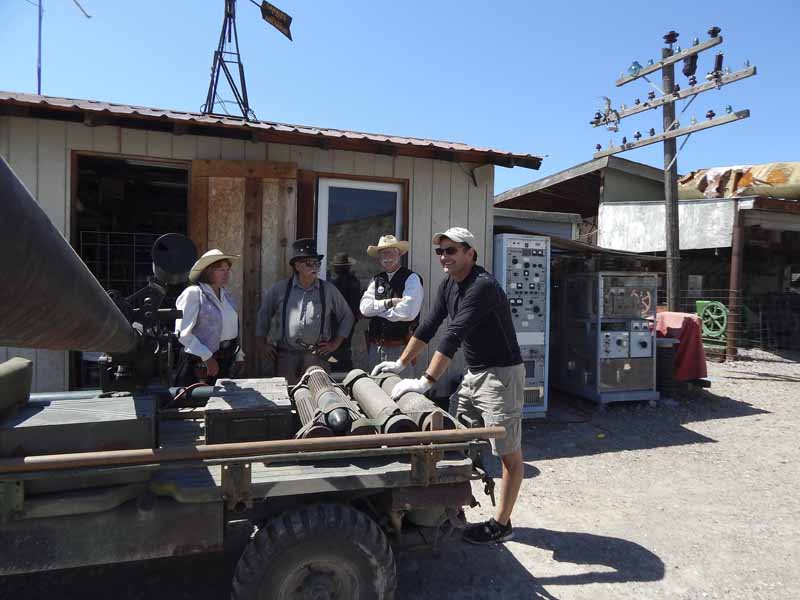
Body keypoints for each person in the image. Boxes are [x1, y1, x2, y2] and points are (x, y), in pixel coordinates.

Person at [371, 227, 524, 545]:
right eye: (440, 251)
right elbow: (429, 326)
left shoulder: (482, 286)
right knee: (458, 438)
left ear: (470, 253)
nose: (444, 256)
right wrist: (400, 364)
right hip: (474, 372)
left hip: (501, 375)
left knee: (507, 452)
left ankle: (501, 523)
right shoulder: (449, 284)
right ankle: (453, 505)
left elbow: (453, 335)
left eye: (451, 250)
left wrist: (425, 381)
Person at [255, 238, 354, 385]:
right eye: (309, 263)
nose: (315, 267)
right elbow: (263, 315)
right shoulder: (280, 289)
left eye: (317, 263)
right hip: (286, 359)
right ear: (297, 266)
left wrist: (335, 344)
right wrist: (262, 344)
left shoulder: (328, 290)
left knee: (319, 394)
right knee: (287, 394)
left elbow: (347, 316)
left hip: (317, 359)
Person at [174, 249, 244, 386]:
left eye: (227, 270)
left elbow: (232, 328)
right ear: (208, 271)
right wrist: (207, 357)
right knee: (199, 398)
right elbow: (182, 333)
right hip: (198, 365)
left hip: (225, 361)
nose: (226, 274)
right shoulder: (194, 294)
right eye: (221, 270)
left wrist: (239, 355)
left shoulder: (227, 296)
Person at [360, 235, 423, 374]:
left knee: (401, 387)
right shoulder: (376, 280)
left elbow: (407, 312)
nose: (387, 257)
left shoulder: (412, 278)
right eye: (383, 253)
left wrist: (377, 310)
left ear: (399, 254)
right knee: (375, 386)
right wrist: (390, 303)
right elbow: (364, 308)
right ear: (379, 257)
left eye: (391, 252)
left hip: (401, 349)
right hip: (375, 348)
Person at [329, 252, 362, 371]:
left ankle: (341, 369)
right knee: (344, 348)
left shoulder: (337, 283)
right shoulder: (354, 281)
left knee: (338, 349)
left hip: (339, 320)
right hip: (349, 319)